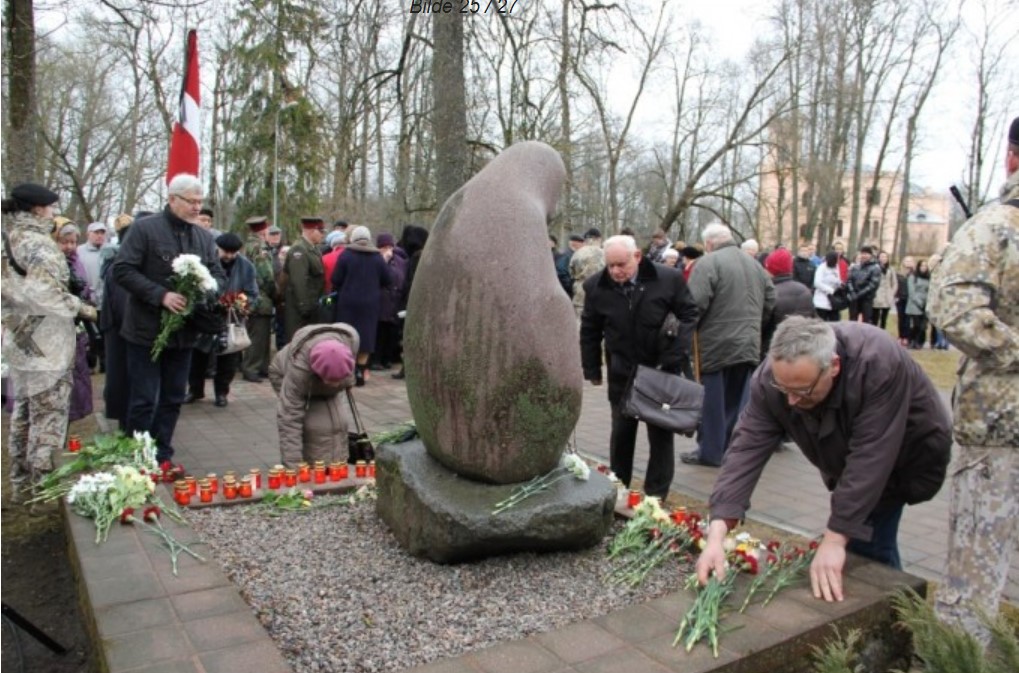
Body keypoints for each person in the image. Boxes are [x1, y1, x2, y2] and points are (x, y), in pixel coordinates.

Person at [695, 316, 952, 601]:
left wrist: (835, 537)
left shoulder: (877, 361)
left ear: (834, 366)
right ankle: (898, 609)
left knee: (867, 544)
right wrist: (718, 531)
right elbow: (745, 448)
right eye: (784, 390)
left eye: (802, 391)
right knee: (867, 542)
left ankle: (898, 615)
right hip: (854, 457)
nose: (791, 401)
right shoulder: (773, 377)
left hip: (905, 454)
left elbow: (870, 457)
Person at [928, 116, 1019, 648]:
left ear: (1010, 157)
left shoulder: (996, 227)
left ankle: (959, 659)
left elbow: (953, 305)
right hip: (1002, 425)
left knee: (975, 567)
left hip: (998, 423)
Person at [112, 173, 226, 466]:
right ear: (172, 199)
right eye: (191, 201)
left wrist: (206, 290)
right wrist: (160, 295)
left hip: (184, 333)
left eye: (200, 202)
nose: (197, 208)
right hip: (145, 330)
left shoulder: (201, 236)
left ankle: (162, 453)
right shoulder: (144, 230)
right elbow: (123, 270)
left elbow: (218, 273)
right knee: (144, 398)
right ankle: (139, 455)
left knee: (173, 397)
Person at [580, 235, 698, 499]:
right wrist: (592, 369)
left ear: (637, 257)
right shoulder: (597, 287)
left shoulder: (667, 279)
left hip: (660, 369)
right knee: (621, 434)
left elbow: (689, 313)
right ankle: (618, 490)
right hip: (623, 371)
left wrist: (676, 353)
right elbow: (590, 330)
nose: (615, 271)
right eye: (610, 265)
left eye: (621, 264)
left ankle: (656, 497)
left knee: (660, 436)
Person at [2, 183, 97, 496]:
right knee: (50, 416)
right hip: (47, 341)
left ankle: (20, 482)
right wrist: (85, 310)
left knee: (25, 412)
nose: (55, 213)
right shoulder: (38, 245)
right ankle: (46, 487)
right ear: (37, 209)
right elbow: (46, 296)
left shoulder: (8, 239)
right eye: (52, 208)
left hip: (19, 337)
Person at [681, 223, 775, 467]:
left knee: (713, 400)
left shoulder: (708, 263)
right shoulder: (755, 265)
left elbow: (695, 303)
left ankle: (710, 452)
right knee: (737, 400)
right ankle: (728, 449)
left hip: (716, 343)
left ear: (709, 244)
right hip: (748, 342)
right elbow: (770, 301)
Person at [269, 322, 359, 467]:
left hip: (316, 374)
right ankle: (314, 468)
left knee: (338, 421)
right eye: (330, 380)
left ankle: (336, 465)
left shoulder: (350, 342)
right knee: (317, 426)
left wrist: (344, 381)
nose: (335, 385)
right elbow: (289, 419)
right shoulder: (299, 373)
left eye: (338, 381)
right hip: (285, 375)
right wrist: (293, 468)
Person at [187, 233, 258, 407]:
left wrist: (239, 304)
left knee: (228, 358)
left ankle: (221, 392)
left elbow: (252, 293)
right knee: (198, 356)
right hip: (205, 315)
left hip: (231, 318)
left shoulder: (246, 266)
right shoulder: (205, 263)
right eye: (225, 252)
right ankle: (195, 390)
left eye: (233, 252)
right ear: (217, 248)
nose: (229, 256)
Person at [330, 225, 393, 386]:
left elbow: (336, 279)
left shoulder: (346, 256)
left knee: (346, 335)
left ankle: (348, 370)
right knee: (366, 337)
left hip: (348, 303)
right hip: (370, 304)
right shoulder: (377, 258)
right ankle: (360, 370)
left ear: (353, 238)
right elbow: (387, 280)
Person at [55, 222, 95, 422]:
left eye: (73, 242)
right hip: (56, 326)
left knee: (77, 374)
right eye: (64, 242)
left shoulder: (76, 261)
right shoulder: (51, 262)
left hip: (76, 326)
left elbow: (85, 286)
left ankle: (74, 413)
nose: (69, 246)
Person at [240, 216, 277, 382]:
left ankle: (261, 366)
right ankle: (251, 368)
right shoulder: (260, 247)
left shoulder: (247, 246)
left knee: (259, 333)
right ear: (263, 230)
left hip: (250, 295)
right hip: (260, 297)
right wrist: (274, 292)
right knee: (258, 335)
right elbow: (266, 274)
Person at [761, 247, 815, 356]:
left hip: (774, 349)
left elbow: (762, 324)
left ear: (771, 269)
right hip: (800, 348)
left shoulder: (770, 293)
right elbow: (812, 319)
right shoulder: (804, 290)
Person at [282, 216, 326, 342]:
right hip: (300, 309)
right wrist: (304, 306)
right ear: (311, 231)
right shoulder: (299, 249)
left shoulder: (313, 248)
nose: (322, 235)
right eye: (321, 231)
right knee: (298, 344)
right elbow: (298, 281)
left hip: (312, 305)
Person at [371, 232, 407, 371]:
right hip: (381, 300)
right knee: (380, 331)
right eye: (383, 247)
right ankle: (376, 360)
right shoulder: (376, 260)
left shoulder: (400, 261)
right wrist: (384, 262)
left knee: (391, 331)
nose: (387, 250)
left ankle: (387, 359)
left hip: (395, 300)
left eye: (389, 246)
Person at [570, 227, 605, 319]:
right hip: (601, 290)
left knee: (579, 319)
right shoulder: (605, 253)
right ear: (598, 238)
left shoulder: (578, 253)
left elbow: (571, 272)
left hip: (581, 291)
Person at [846, 245, 881, 323]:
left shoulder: (875, 268)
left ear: (871, 255)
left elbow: (873, 285)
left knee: (866, 321)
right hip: (854, 298)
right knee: (852, 320)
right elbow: (849, 280)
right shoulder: (855, 267)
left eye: (866, 254)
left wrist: (859, 294)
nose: (864, 256)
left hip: (867, 299)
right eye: (863, 253)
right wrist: (852, 292)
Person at [905, 259, 930, 349]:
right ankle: (911, 340)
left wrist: (926, 302)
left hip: (925, 304)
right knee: (915, 324)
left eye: (925, 266)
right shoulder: (913, 277)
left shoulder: (928, 278)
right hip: (914, 304)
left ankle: (919, 342)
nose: (923, 268)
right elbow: (911, 292)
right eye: (922, 266)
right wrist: (919, 303)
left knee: (922, 326)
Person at [813, 251, 843, 322]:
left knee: (835, 321)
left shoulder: (836, 267)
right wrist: (829, 290)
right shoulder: (822, 267)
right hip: (821, 300)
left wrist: (840, 284)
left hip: (833, 300)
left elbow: (837, 278)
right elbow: (817, 282)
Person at [870, 250, 897, 330]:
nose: (884, 258)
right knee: (875, 317)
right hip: (877, 296)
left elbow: (894, 282)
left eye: (885, 257)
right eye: (882, 257)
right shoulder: (874, 268)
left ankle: (883, 332)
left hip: (887, 296)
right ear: (878, 258)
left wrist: (892, 293)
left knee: (884, 318)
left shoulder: (891, 269)